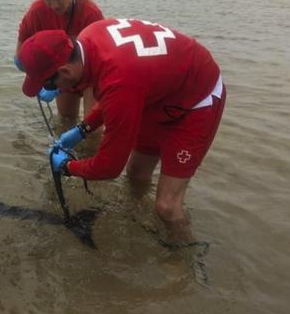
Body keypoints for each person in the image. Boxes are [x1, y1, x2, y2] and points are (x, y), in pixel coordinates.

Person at [16, 18, 225, 242]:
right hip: (153, 93)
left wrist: (67, 167)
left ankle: (183, 263)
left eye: (49, 85)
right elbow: (114, 97)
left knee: (166, 206)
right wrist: (83, 129)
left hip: (196, 99)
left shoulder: (120, 81)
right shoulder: (89, 36)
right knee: (135, 174)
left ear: (65, 71)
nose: (53, 90)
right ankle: (139, 225)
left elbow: (109, 167)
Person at [16, 0, 104, 120]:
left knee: (92, 127)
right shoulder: (37, 11)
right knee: (66, 119)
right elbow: (21, 48)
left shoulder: (90, 14)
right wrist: (33, 72)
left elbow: (101, 61)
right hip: (60, 75)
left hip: (93, 74)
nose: (54, 5)